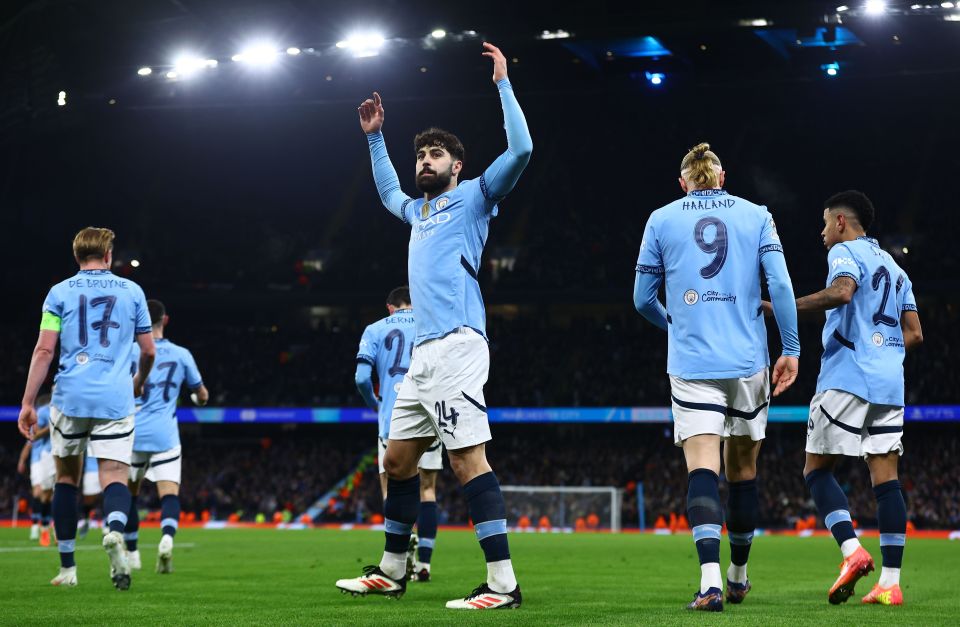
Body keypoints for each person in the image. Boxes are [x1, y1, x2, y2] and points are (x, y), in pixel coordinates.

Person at [336, 41, 532, 610]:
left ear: (458, 166)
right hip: (423, 351)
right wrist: (375, 137)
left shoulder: (474, 198)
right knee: (396, 461)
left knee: (467, 459)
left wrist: (502, 83)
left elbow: (521, 149)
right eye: (421, 153)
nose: (426, 159)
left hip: (458, 343)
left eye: (437, 153)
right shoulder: (416, 213)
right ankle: (393, 571)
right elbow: (387, 192)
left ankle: (502, 585)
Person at [634, 143, 800, 611]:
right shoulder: (756, 214)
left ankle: (708, 584)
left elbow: (642, 299)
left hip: (693, 363)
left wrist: (676, 324)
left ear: (683, 183)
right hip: (749, 360)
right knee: (744, 470)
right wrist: (791, 348)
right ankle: (738, 576)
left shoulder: (661, 219)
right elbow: (782, 286)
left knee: (703, 467)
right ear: (721, 178)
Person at [780, 190, 921, 606]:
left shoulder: (845, 252)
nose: (822, 233)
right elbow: (915, 333)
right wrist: (884, 352)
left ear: (841, 221)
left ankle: (851, 551)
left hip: (847, 377)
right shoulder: (897, 269)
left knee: (816, 471)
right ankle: (891, 584)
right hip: (889, 384)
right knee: (887, 480)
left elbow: (842, 292)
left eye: (825, 223)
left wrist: (784, 308)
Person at [18, 226, 156, 590]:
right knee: (114, 476)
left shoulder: (58, 292)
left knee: (66, 478)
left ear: (77, 257)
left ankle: (67, 569)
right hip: (115, 397)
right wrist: (138, 382)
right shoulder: (133, 291)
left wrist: (29, 402)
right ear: (108, 256)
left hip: (70, 396)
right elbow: (149, 350)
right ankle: (113, 530)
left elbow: (45, 350)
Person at [355, 286, 442, 582]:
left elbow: (361, 378)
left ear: (390, 307)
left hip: (392, 419)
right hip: (430, 414)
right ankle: (425, 564)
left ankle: (399, 555)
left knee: (391, 490)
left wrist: (375, 405)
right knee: (427, 490)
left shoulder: (375, 329)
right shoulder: (432, 324)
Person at [125, 299, 208, 574]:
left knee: (129, 495)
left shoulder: (128, 352)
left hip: (134, 434)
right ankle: (167, 540)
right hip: (166, 436)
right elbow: (201, 393)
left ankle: (133, 551)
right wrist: (198, 398)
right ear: (166, 320)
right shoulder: (182, 355)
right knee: (169, 494)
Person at [17, 393, 54, 546]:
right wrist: (22, 460)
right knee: (38, 492)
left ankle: (46, 526)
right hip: (38, 461)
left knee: (48, 494)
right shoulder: (39, 424)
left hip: (52, 457)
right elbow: (28, 444)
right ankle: (35, 525)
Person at [78, 447, 102, 539]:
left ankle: (107, 527)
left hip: (109, 468)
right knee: (88, 501)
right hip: (91, 469)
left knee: (109, 496)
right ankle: (87, 520)